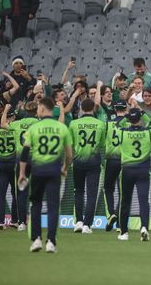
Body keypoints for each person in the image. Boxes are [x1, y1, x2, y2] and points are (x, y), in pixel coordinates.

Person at [18, 97, 73, 253]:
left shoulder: (34, 128)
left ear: (42, 109)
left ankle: (36, 240)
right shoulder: (62, 128)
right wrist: (65, 167)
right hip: (54, 171)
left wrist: (22, 174)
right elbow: (69, 154)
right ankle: (51, 241)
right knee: (53, 206)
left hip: (38, 171)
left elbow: (25, 153)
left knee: (36, 204)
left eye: (38, 109)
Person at [68, 99, 106, 234]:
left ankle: (78, 221)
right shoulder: (100, 124)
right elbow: (102, 144)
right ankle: (87, 225)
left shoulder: (73, 123)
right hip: (94, 161)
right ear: (93, 108)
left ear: (82, 108)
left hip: (78, 161)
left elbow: (70, 143)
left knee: (78, 191)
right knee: (91, 194)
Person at [117, 108, 151, 241]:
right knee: (143, 201)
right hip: (143, 170)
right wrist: (143, 113)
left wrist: (126, 115)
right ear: (139, 118)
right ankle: (144, 227)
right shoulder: (148, 131)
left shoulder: (122, 132)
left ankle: (124, 232)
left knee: (125, 201)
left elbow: (117, 124)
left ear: (130, 120)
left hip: (127, 170)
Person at [0, 101, 38, 231]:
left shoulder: (17, 124)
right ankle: (36, 221)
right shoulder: (39, 124)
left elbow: (3, 124)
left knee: (21, 192)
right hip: (36, 159)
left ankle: (22, 222)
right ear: (36, 111)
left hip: (21, 160)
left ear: (25, 111)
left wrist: (5, 110)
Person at [103, 100, 129, 231]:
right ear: (126, 109)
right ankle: (120, 224)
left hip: (111, 159)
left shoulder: (108, 123)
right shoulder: (129, 124)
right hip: (125, 159)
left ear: (115, 109)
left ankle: (111, 214)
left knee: (108, 188)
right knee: (123, 192)